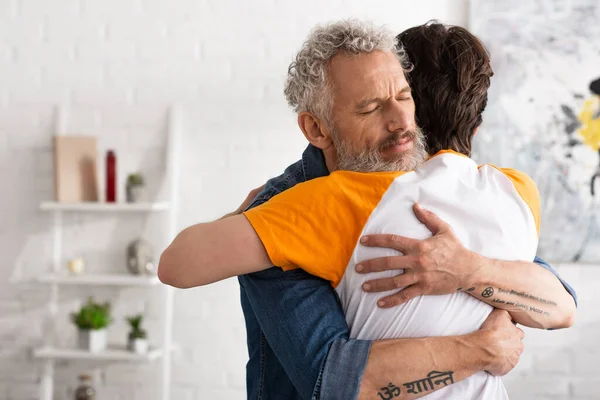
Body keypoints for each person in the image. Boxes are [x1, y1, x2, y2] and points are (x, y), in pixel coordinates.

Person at [159, 21, 577, 399]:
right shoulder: (305, 205)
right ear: (316, 129)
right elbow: (332, 379)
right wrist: (482, 349)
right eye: (370, 108)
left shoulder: (424, 178)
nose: (402, 122)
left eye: (403, 96)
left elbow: (559, 305)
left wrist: (468, 270)